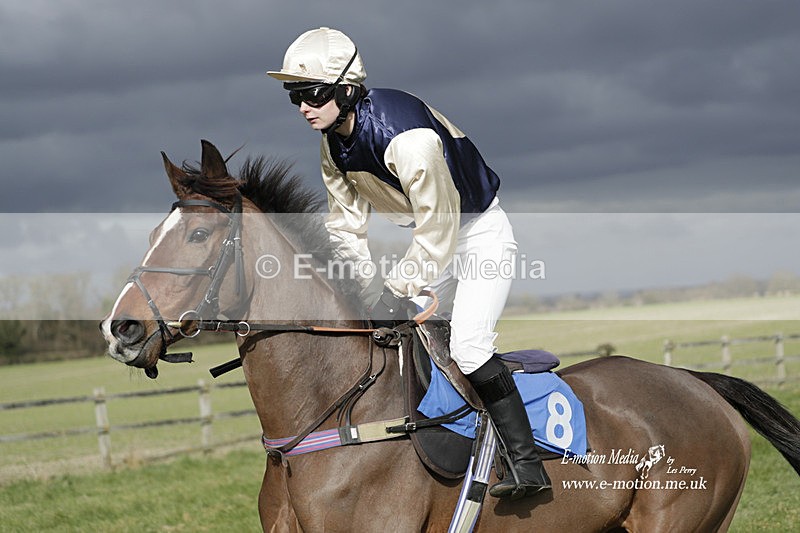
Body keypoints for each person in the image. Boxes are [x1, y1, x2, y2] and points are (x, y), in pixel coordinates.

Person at [267, 27, 550, 499]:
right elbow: (345, 229)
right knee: (388, 333)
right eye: (293, 95)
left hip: (477, 234)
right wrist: (360, 291)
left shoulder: (408, 139)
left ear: (345, 88)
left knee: (471, 347)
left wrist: (396, 288)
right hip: (428, 240)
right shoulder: (332, 143)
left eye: (312, 93)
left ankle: (527, 463)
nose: (303, 106)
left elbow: (441, 227)